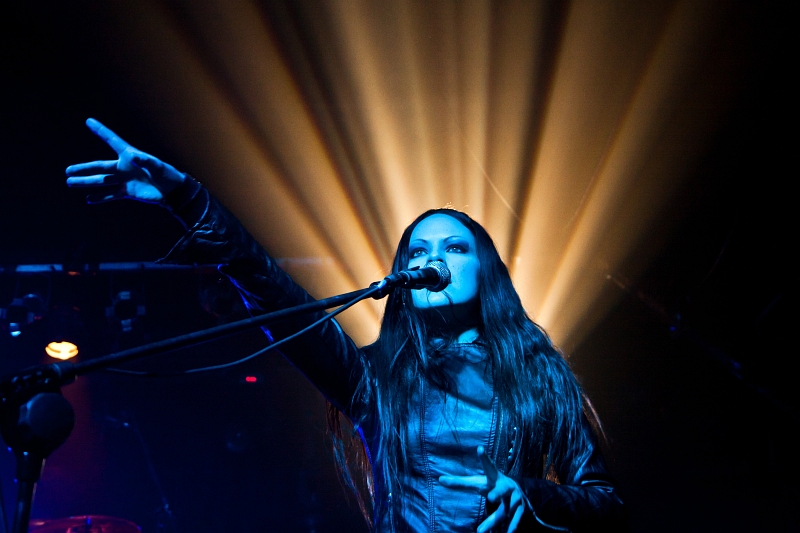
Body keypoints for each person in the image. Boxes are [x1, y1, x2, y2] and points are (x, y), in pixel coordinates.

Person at [67, 119, 626, 532]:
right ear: (403, 273)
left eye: (455, 248)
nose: (435, 259)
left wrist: (532, 497)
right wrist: (190, 201)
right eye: (420, 250)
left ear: (486, 273)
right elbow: (270, 287)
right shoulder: (374, 377)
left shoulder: (537, 372)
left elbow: (606, 501)